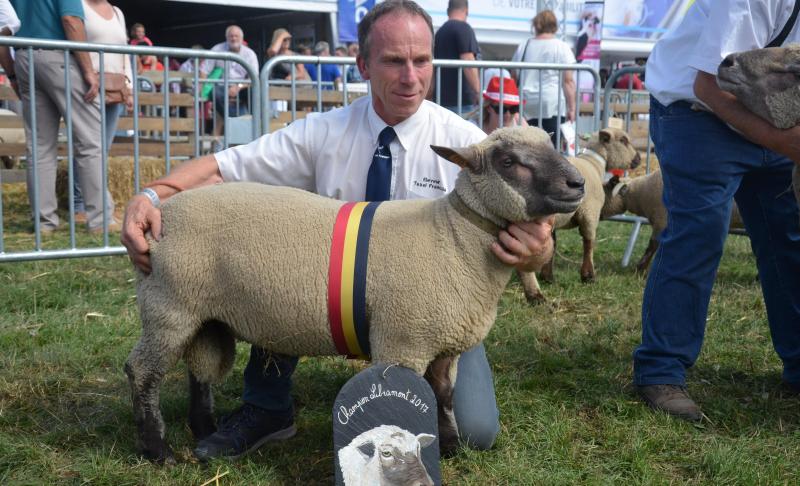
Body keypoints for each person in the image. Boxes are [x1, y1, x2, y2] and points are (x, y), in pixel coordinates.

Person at [120, 0, 554, 461]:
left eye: (421, 60)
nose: (411, 76)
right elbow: (226, 169)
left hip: (429, 310)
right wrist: (151, 195)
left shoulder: (467, 150)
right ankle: (267, 407)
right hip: (318, 290)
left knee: (477, 429)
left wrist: (536, 252)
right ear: (363, 64)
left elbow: (533, 232)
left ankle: (410, 398)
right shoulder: (323, 132)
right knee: (275, 261)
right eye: (393, 61)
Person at [633, 0, 800, 421]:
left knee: (792, 235)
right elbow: (708, 84)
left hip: (777, 117)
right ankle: (661, 369)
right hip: (700, 111)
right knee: (699, 231)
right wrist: (787, 143)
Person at [12, 0, 117, 234]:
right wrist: (89, 70)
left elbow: (4, 27)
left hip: (24, 55)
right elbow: (71, 19)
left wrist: (10, 72)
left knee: (39, 148)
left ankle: (44, 222)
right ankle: (100, 220)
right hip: (60, 55)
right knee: (90, 142)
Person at [71, 0, 133, 224]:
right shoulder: (79, 6)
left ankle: (97, 204)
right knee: (88, 147)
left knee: (102, 148)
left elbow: (125, 52)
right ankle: (79, 204)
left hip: (115, 86)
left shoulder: (117, 12)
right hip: (89, 84)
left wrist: (130, 88)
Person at [510, 10, 576, 143]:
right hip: (552, 104)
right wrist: (572, 108)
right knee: (552, 147)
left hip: (526, 103)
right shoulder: (562, 47)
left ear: (536, 25)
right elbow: (568, 81)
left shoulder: (524, 45)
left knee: (528, 145)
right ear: (554, 25)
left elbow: (514, 76)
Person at [200, 25, 260, 135]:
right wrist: (202, 88)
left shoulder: (249, 54)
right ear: (226, 37)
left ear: (241, 38)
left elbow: (254, 77)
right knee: (215, 93)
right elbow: (204, 70)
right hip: (221, 87)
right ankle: (236, 122)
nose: (233, 39)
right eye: (231, 36)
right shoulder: (217, 49)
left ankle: (256, 125)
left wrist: (238, 87)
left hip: (242, 87)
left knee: (254, 93)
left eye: (236, 36)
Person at [433, 0, 480, 114]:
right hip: (461, 102)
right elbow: (468, 62)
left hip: (441, 100)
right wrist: (478, 92)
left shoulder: (439, 32)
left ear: (448, 11)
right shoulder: (464, 28)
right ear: (466, 11)